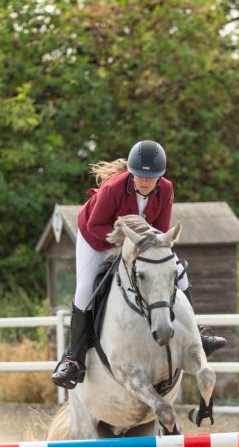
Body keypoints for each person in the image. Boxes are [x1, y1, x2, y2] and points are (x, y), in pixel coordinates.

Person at [51, 140, 227, 389]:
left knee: (178, 271)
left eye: (151, 176)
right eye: (140, 175)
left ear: (159, 177)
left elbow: (162, 231)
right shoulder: (113, 188)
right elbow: (95, 225)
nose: (145, 181)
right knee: (84, 290)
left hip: (140, 241)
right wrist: (125, 240)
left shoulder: (166, 189)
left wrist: (144, 245)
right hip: (97, 237)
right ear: (132, 173)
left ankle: (196, 335)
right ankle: (74, 360)